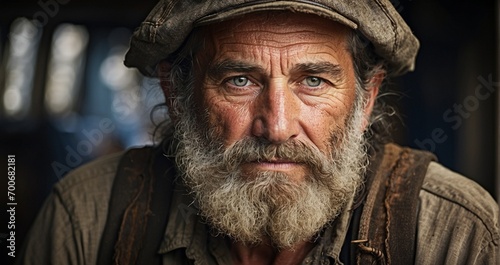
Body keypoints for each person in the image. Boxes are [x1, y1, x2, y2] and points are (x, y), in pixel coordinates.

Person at [18, 0, 499, 264]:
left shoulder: (455, 235)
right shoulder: (86, 216)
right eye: (239, 80)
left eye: (313, 81)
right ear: (176, 93)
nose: (278, 126)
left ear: (366, 97)